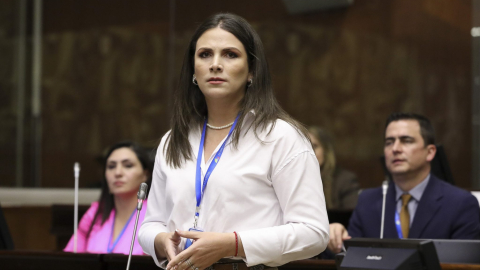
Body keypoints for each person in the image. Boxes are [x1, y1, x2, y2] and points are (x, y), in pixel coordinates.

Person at [138, 13, 329, 270]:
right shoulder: (174, 139)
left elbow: (313, 233)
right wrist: (161, 241)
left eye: (230, 54)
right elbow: (151, 223)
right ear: (193, 70)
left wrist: (233, 244)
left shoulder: (280, 137)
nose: (215, 64)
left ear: (251, 71)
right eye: (205, 54)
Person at [328, 113, 480, 253]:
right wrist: (335, 238)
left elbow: (463, 262)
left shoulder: (461, 204)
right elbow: (350, 259)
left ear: (430, 152)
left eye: (406, 141)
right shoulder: (368, 201)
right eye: (389, 142)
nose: (395, 149)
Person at [64, 141, 153, 255]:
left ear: (145, 174)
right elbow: (69, 259)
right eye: (111, 166)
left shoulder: (153, 214)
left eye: (128, 165)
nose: (117, 172)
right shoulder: (95, 212)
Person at [308, 126, 359, 210]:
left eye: (314, 146)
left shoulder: (345, 180)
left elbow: (351, 216)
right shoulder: (295, 179)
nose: (310, 151)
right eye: (305, 146)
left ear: (326, 150)